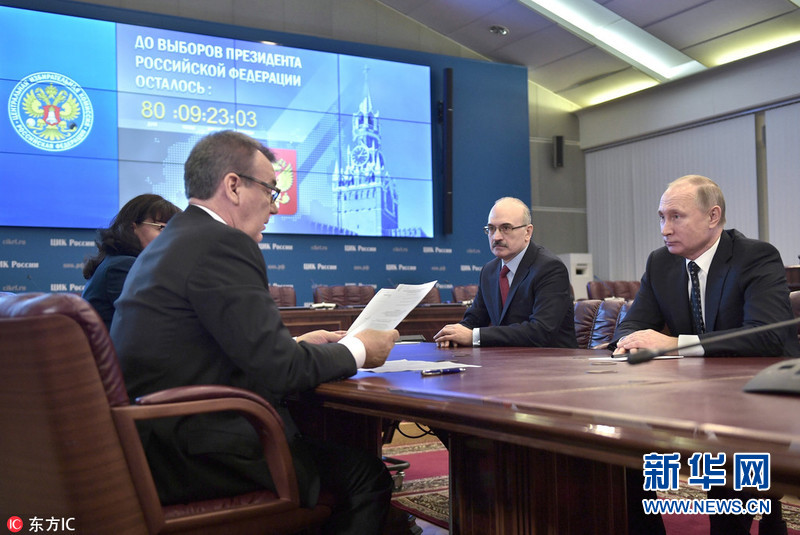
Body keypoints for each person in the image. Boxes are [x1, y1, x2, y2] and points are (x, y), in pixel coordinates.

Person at [110, 130, 398, 535]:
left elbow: (205, 349)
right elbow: (282, 371)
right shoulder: (221, 243)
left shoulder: (170, 242)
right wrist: (359, 349)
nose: (275, 207)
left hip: (156, 447)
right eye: (270, 191)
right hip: (202, 453)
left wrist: (295, 344)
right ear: (233, 186)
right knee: (366, 475)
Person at [611, 174, 799, 535]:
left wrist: (674, 344)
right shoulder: (661, 263)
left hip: (758, 397)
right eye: (661, 217)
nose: (665, 229)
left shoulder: (755, 256)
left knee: (726, 480)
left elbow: (765, 336)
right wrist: (630, 342)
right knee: (624, 453)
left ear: (713, 216)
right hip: (693, 395)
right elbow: (632, 323)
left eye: (676, 217)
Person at [433, 196, 576, 348]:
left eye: (506, 228)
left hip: (552, 359)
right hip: (507, 359)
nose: (496, 237)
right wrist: (453, 335)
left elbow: (541, 331)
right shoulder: (489, 271)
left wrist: (474, 336)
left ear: (527, 232)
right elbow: (474, 320)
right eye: (491, 229)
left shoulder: (550, 268)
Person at [81, 194, 180, 330]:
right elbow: (153, 323)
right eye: (162, 228)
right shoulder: (122, 266)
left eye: (173, 230)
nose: (169, 236)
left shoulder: (120, 262)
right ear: (132, 228)